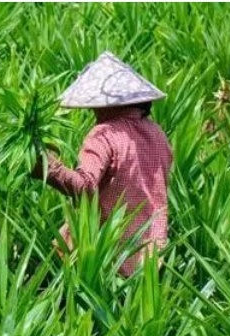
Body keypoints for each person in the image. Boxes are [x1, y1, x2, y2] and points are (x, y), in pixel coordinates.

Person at [32, 51, 173, 277]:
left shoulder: (104, 134)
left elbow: (84, 186)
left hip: (104, 253)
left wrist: (49, 167)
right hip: (148, 252)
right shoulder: (157, 134)